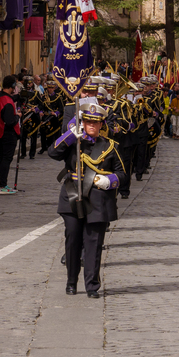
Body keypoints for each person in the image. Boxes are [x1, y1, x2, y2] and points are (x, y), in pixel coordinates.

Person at [47, 103, 127, 298]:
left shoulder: (110, 146)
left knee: (93, 243)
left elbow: (122, 173)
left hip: (98, 200)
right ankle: (71, 281)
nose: (91, 125)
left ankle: (92, 285)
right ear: (82, 122)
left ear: (101, 124)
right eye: (88, 121)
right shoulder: (74, 142)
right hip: (73, 196)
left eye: (95, 122)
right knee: (72, 239)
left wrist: (109, 181)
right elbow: (53, 153)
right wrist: (70, 135)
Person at [0, 75, 20, 195]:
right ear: (12, 86)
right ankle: (2, 184)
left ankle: (2, 183)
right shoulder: (7, 102)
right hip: (8, 133)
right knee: (6, 159)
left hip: (0, 131)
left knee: (2, 158)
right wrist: (18, 115)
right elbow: (10, 121)